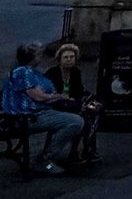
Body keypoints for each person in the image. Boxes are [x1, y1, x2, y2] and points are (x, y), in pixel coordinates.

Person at [2, 41, 84, 174]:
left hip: (38, 112)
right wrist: (59, 96)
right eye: (39, 55)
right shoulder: (23, 72)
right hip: (28, 117)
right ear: (31, 57)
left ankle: (55, 156)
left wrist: (57, 97)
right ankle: (45, 158)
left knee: (71, 116)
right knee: (75, 121)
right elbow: (38, 96)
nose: (41, 57)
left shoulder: (32, 72)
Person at [46, 42, 100, 162]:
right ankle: (77, 151)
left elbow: (78, 91)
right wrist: (67, 99)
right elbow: (50, 94)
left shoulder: (76, 72)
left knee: (93, 113)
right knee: (82, 116)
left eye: (72, 57)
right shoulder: (52, 73)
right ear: (59, 59)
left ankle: (87, 149)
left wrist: (84, 100)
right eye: (66, 57)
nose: (69, 60)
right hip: (56, 105)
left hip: (72, 103)